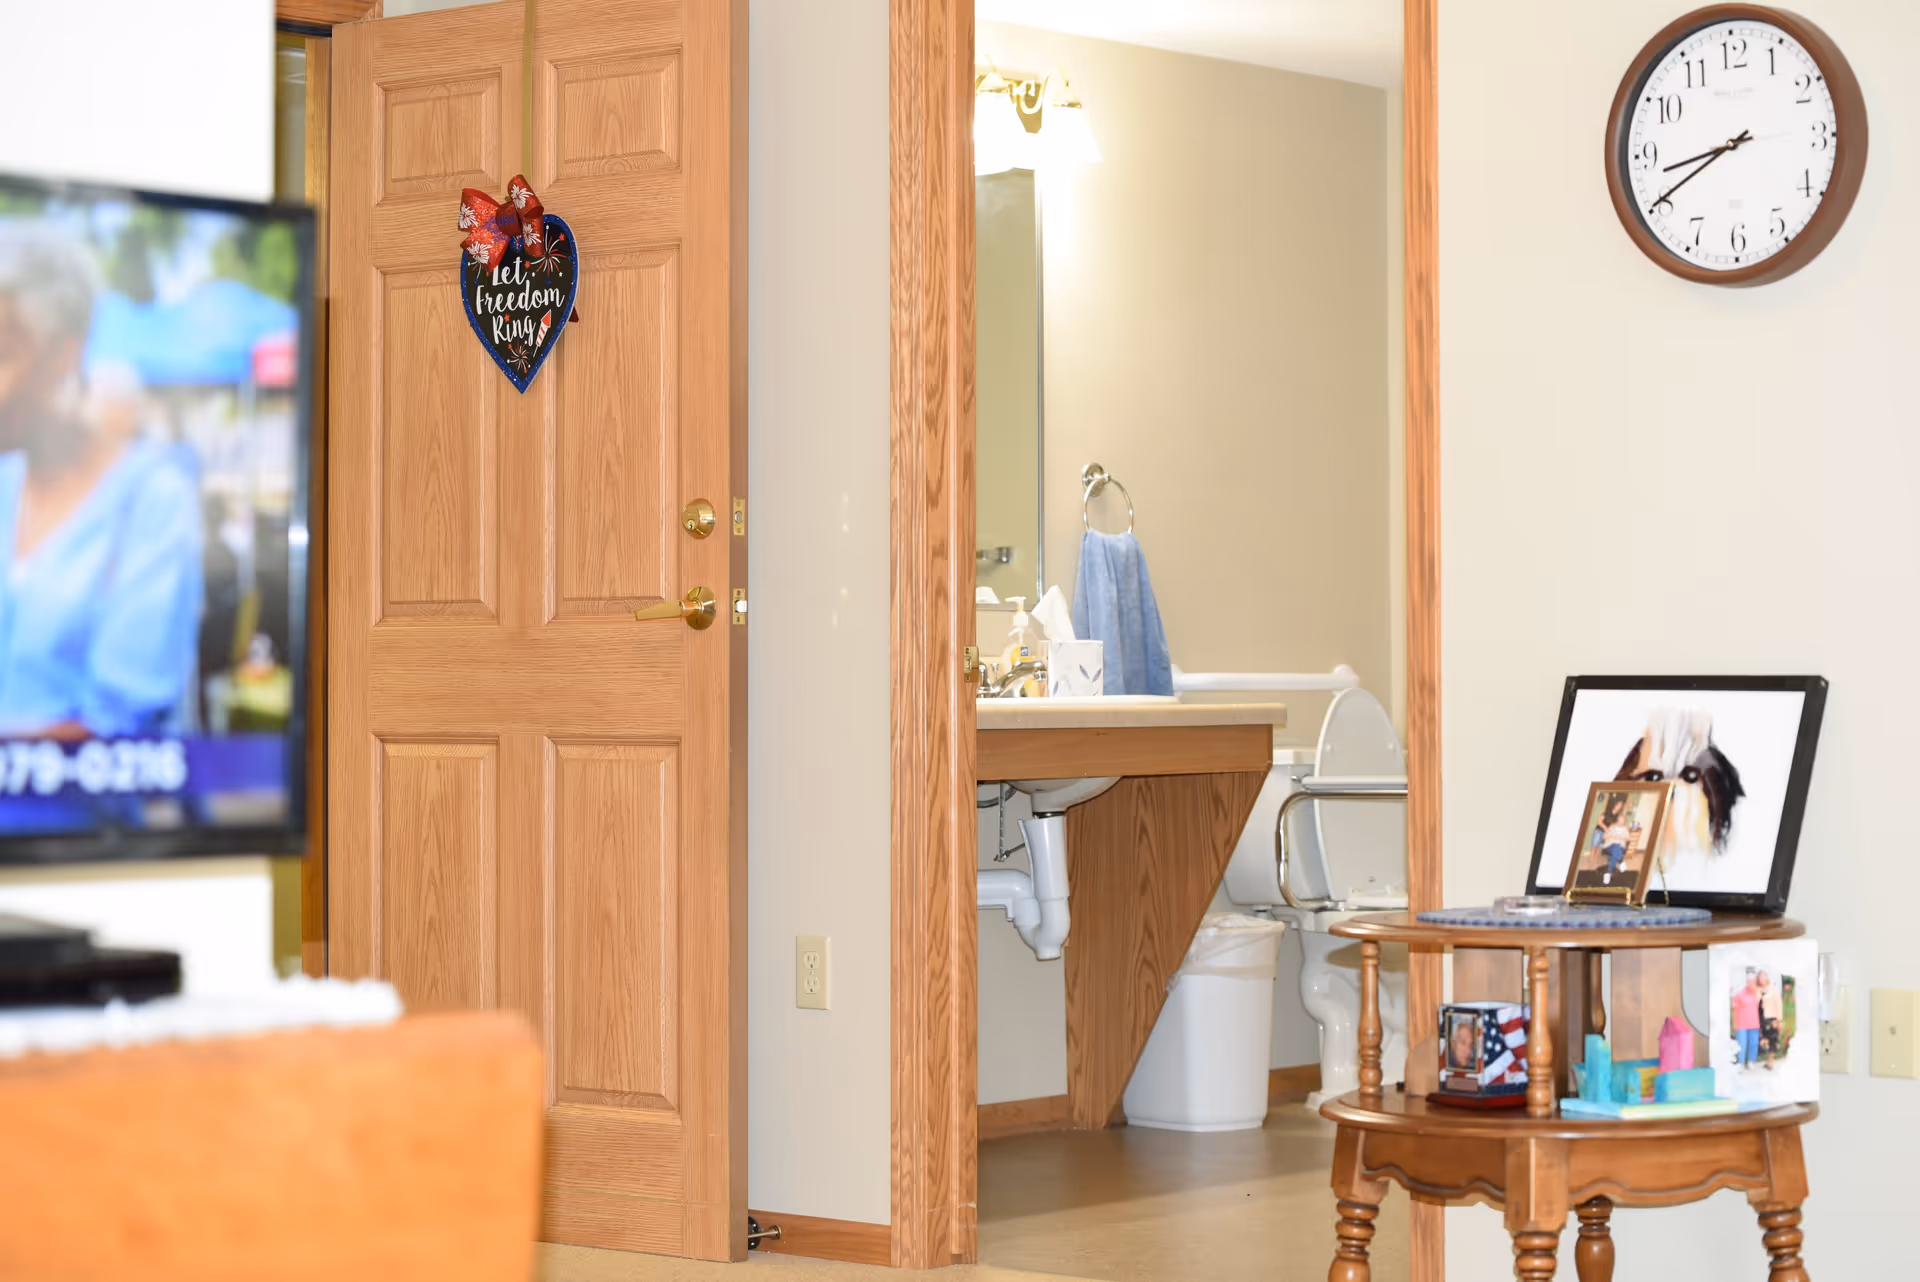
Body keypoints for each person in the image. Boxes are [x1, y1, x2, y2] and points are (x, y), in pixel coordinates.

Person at [0, 222, 203, 741]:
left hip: (83, 792)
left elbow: (120, 720)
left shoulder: (153, 500)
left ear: (60, 357)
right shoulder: (7, 481)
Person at [1731, 970, 1762, 1067]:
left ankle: (1751, 1061)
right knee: (1741, 1044)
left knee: (1753, 1043)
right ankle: (1740, 1063)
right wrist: (1734, 1023)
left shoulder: (1758, 994)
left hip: (1754, 1023)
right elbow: (1735, 1010)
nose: (1751, 983)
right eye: (1750, 981)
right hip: (1742, 1024)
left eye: (1753, 981)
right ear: (1746, 982)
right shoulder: (1739, 994)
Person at [1758, 970, 1783, 1069]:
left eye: (1763, 976)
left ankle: (1770, 1062)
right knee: (1765, 1039)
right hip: (1762, 1019)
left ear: (1767, 978)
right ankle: (1767, 1060)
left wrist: (1779, 1020)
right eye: (1760, 977)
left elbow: (1779, 1005)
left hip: (1772, 1018)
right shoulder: (1758, 990)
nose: (1761, 979)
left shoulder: (1773, 990)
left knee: (1773, 1040)